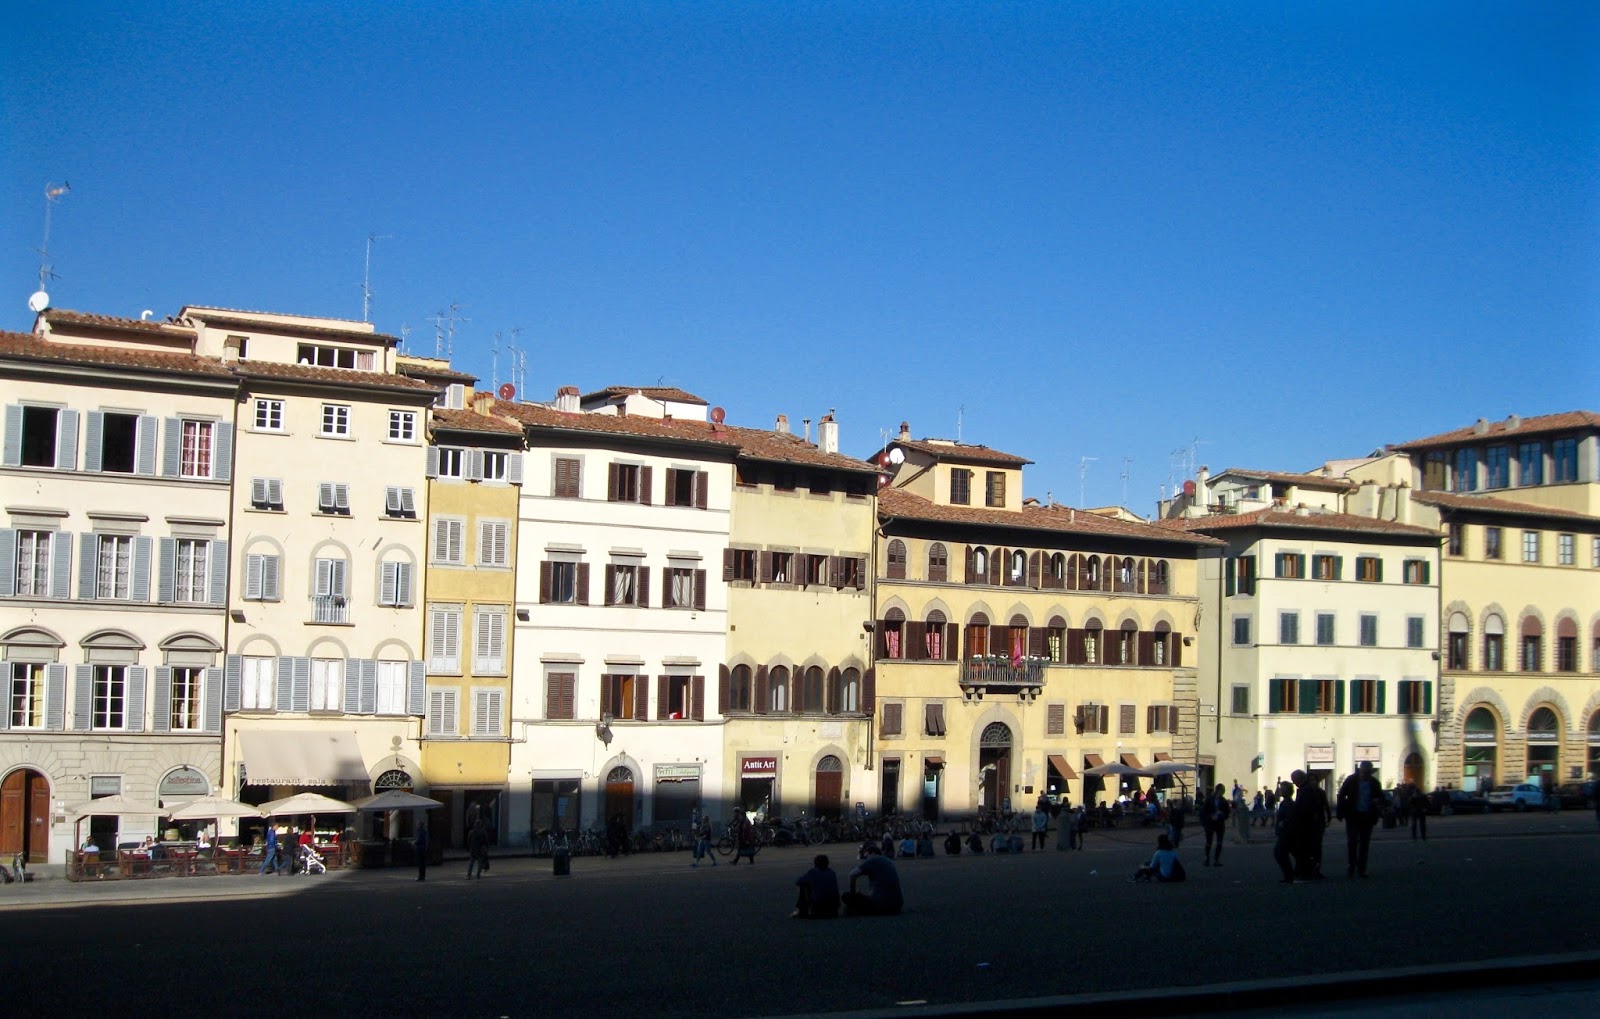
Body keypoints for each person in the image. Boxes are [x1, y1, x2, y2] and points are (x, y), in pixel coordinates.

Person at [1336, 761, 1383, 878]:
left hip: (1367, 816)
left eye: (1367, 772)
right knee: (1352, 842)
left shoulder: (1374, 782)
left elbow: (1380, 797)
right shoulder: (1351, 780)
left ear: (1370, 772)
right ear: (1360, 770)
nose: (1364, 775)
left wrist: (1378, 803)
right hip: (1353, 815)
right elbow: (1341, 795)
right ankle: (1351, 866)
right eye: (1363, 772)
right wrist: (1341, 811)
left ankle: (1362, 868)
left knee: (1364, 843)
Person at [843, 845, 903, 916]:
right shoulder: (888, 861)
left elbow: (852, 874)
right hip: (897, 904)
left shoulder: (873, 860)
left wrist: (852, 893)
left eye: (867, 856)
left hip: (880, 904)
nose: (866, 859)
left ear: (873, 853)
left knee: (845, 896)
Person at [792, 854, 840, 919]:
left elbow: (798, 882)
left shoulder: (812, 872)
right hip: (833, 906)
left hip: (818, 906)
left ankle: (802, 911)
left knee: (803, 886)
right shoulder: (832, 872)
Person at [1271, 780, 1298, 883]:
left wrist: (1284, 823)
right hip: (1285, 832)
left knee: (1280, 852)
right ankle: (1292, 874)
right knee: (1291, 852)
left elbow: (1290, 818)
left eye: (1282, 789)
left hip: (1286, 832)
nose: (1280, 791)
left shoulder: (1288, 803)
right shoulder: (1285, 803)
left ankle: (1290, 875)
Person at [1199, 784, 1230, 866]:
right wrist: (1209, 817)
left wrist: (1221, 814)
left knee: (1219, 842)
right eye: (1222, 790)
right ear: (1218, 790)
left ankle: (1216, 860)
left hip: (1220, 824)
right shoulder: (1209, 800)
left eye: (1223, 790)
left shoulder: (1224, 801)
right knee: (1209, 841)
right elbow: (1203, 812)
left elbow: (1227, 813)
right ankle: (1207, 858)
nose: (1223, 792)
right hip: (1210, 823)